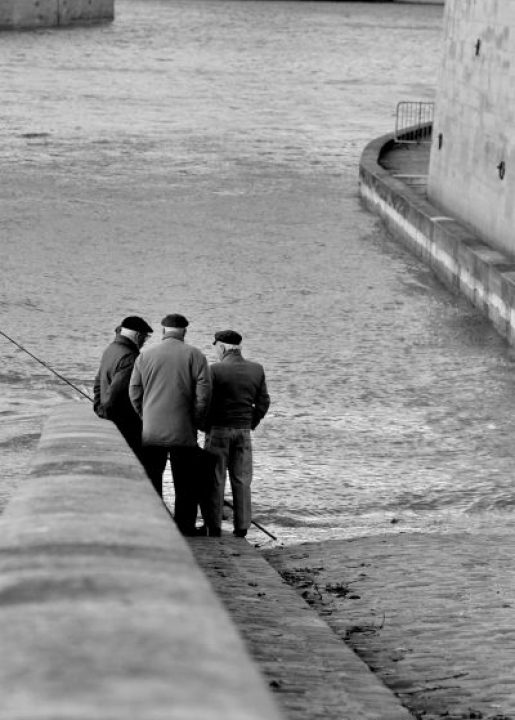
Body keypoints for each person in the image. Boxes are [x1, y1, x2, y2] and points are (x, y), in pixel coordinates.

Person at [129, 313, 213, 536]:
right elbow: (204, 394)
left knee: (152, 478)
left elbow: (134, 392)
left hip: (151, 431)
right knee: (185, 483)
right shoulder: (196, 356)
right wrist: (195, 420)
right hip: (184, 431)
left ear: (163, 330)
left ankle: (154, 524)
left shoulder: (145, 356)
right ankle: (184, 527)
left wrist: (145, 416)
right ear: (184, 331)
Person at [205, 330, 270, 538]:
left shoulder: (214, 370)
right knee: (242, 479)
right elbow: (263, 402)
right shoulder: (256, 369)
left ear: (222, 347)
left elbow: (204, 401)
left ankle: (214, 526)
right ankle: (241, 527)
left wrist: (204, 425)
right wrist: (251, 422)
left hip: (218, 430)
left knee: (216, 478)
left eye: (216, 347)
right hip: (243, 430)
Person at [93, 315, 153, 460]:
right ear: (138, 335)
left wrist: (98, 407)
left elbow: (97, 383)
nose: (144, 342)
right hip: (125, 426)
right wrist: (105, 411)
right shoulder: (131, 358)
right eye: (145, 338)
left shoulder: (111, 349)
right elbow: (117, 395)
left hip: (111, 420)